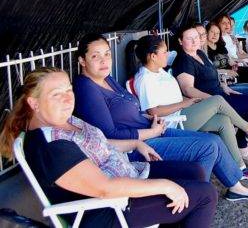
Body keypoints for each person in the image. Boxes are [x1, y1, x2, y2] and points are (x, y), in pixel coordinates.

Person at [0, 67, 218, 227]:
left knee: (195, 171)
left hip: (124, 176)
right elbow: (104, 188)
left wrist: (135, 143)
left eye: (68, 90)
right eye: (56, 94)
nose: (68, 99)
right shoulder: (50, 146)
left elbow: (99, 144)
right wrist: (166, 186)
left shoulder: (62, 121)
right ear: (33, 103)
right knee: (205, 194)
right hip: (107, 210)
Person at [73, 34, 248, 201]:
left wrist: (149, 121)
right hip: (135, 146)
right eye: (95, 56)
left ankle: (232, 187)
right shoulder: (86, 88)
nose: (104, 60)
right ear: (82, 60)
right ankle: (195, 198)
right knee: (207, 147)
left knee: (213, 139)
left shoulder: (106, 79)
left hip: (152, 129)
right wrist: (150, 131)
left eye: (107, 53)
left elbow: (129, 111)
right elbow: (108, 134)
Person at [133, 34, 248, 181]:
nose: (167, 55)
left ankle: (240, 168)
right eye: (164, 52)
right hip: (173, 123)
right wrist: (185, 103)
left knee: (223, 120)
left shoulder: (160, 72)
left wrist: (191, 101)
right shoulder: (145, 79)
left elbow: (173, 97)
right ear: (153, 56)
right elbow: (154, 111)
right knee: (217, 100)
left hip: (184, 112)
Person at [172, 25, 248, 161]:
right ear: (180, 41)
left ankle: (245, 138)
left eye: (196, 37)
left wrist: (225, 87)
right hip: (209, 101)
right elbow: (187, 89)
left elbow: (214, 75)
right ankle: (242, 144)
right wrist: (211, 99)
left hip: (221, 93)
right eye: (189, 38)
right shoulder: (184, 60)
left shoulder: (199, 53)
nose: (195, 40)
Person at [203, 22, 248, 97]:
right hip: (222, 76)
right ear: (207, 32)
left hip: (231, 71)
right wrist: (226, 71)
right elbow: (209, 70)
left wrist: (235, 64)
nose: (215, 35)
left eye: (217, 33)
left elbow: (229, 60)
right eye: (212, 32)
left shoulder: (220, 46)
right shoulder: (204, 49)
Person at [216, 15, 248, 85]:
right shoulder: (219, 40)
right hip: (236, 66)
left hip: (242, 63)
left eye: (230, 24)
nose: (230, 27)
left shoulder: (230, 37)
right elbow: (228, 58)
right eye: (224, 23)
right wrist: (244, 61)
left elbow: (238, 53)